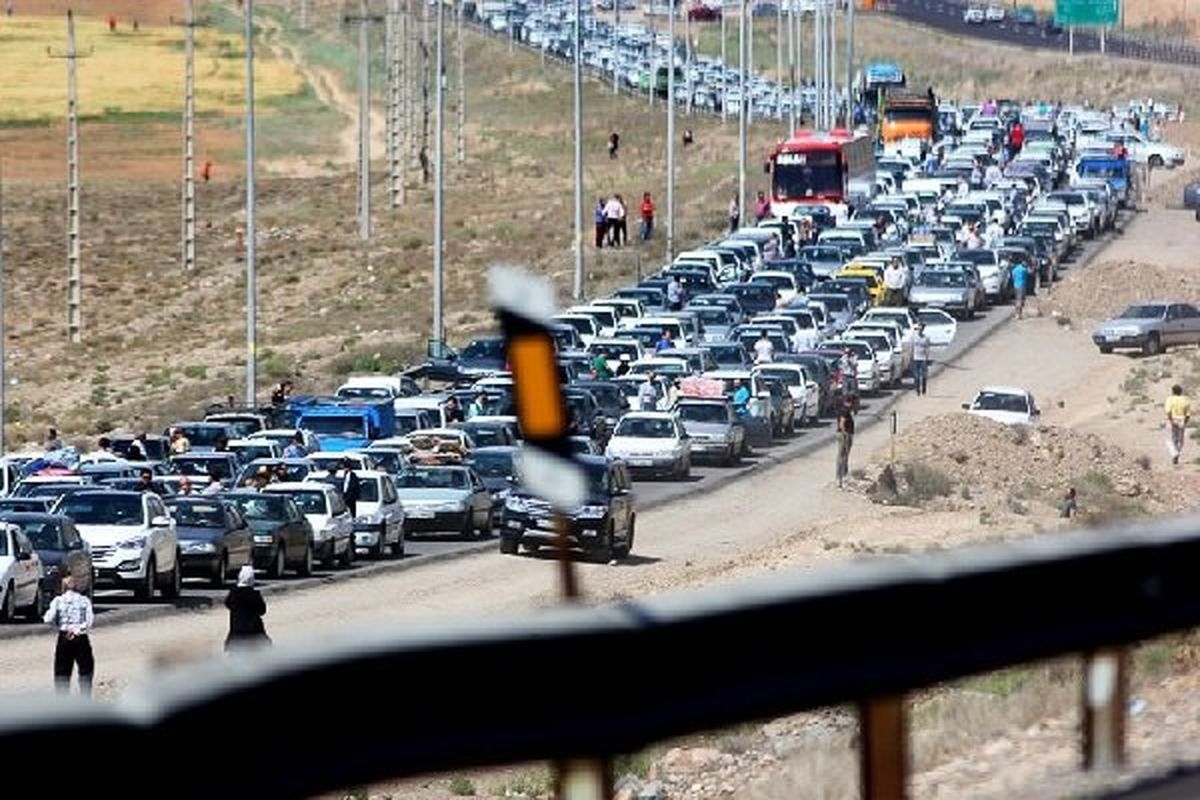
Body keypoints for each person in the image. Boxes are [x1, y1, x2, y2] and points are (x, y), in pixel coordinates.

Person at [44, 576, 95, 695]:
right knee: (86, 667)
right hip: (80, 637)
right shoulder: (84, 600)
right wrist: (79, 629)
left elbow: (48, 618)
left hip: (64, 636)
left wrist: (58, 626)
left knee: (62, 669)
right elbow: (90, 620)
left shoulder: (58, 601)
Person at [225, 566, 270, 652]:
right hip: (253, 633)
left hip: (236, 633)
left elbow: (227, 604)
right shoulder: (254, 595)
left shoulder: (233, 594)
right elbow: (262, 610)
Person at [1165, 384, 1191, 465]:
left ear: (1173, 391)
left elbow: (1168, 411)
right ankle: (1177, 453)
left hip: (1173, 418)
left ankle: (1174, 453)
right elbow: (1188, 414)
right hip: (1181, 419)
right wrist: (1185, 422)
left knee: (1170, 439)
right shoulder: (1185, 400)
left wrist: (1171, 420)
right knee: (1180, 440)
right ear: (1181, 391)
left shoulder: (1170, 399)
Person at [835, 403, 855, 488]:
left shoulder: (844, 409)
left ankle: (843, 475)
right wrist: (845, 434)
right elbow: (842, 422)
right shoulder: (845, 410)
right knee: (842, 456)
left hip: (844, 434)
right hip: (844, 435)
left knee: (844, 456)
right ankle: (841, 477)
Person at [911, 323, 931, 396]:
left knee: (924, 375)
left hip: (923, 358)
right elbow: (911, 347)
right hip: (915, 358)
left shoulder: (926, 338)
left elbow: (927, 348)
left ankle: (924, 389)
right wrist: (911, 357)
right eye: (919, 328)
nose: (920, 330)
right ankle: (917, 390)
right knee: (916, 376)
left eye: (921, 328)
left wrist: (927, 358)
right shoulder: (913, 337)